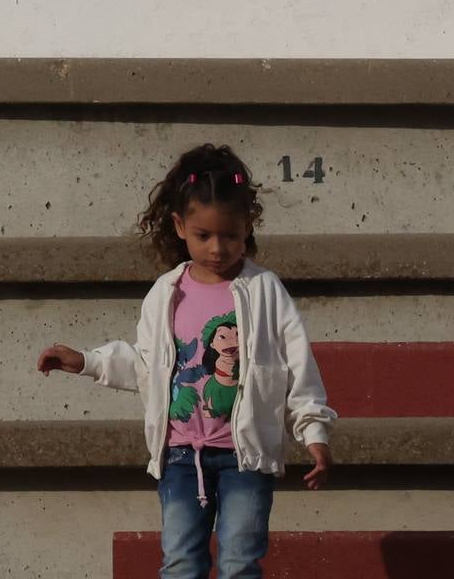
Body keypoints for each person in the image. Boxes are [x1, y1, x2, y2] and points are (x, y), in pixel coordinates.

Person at [36, 146, 335, 579]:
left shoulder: (266, 291)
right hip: (179, 457)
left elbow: (298, 368)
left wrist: (314, 432)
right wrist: (85, 361)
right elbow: (144, 365)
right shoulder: (165, 293)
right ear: (179, 227)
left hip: (245, 459)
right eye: (204, 235)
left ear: (247, 227)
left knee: (240, 563)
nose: (218, 248)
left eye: (230, 236)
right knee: (180, 563)